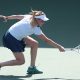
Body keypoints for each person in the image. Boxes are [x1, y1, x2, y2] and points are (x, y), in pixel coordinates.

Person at [0, 10, 65, 74]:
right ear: (37, 19)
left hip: (11, 33)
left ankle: (32, 67)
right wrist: (59, 47)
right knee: (21, 61)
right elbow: (46, 40)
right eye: (42, 20)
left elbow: (17, 16)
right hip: (11, 39)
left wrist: (7, 17)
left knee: (34, 44)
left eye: (44, 20)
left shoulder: (30, 17)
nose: (43, 22)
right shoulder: (35, 28)